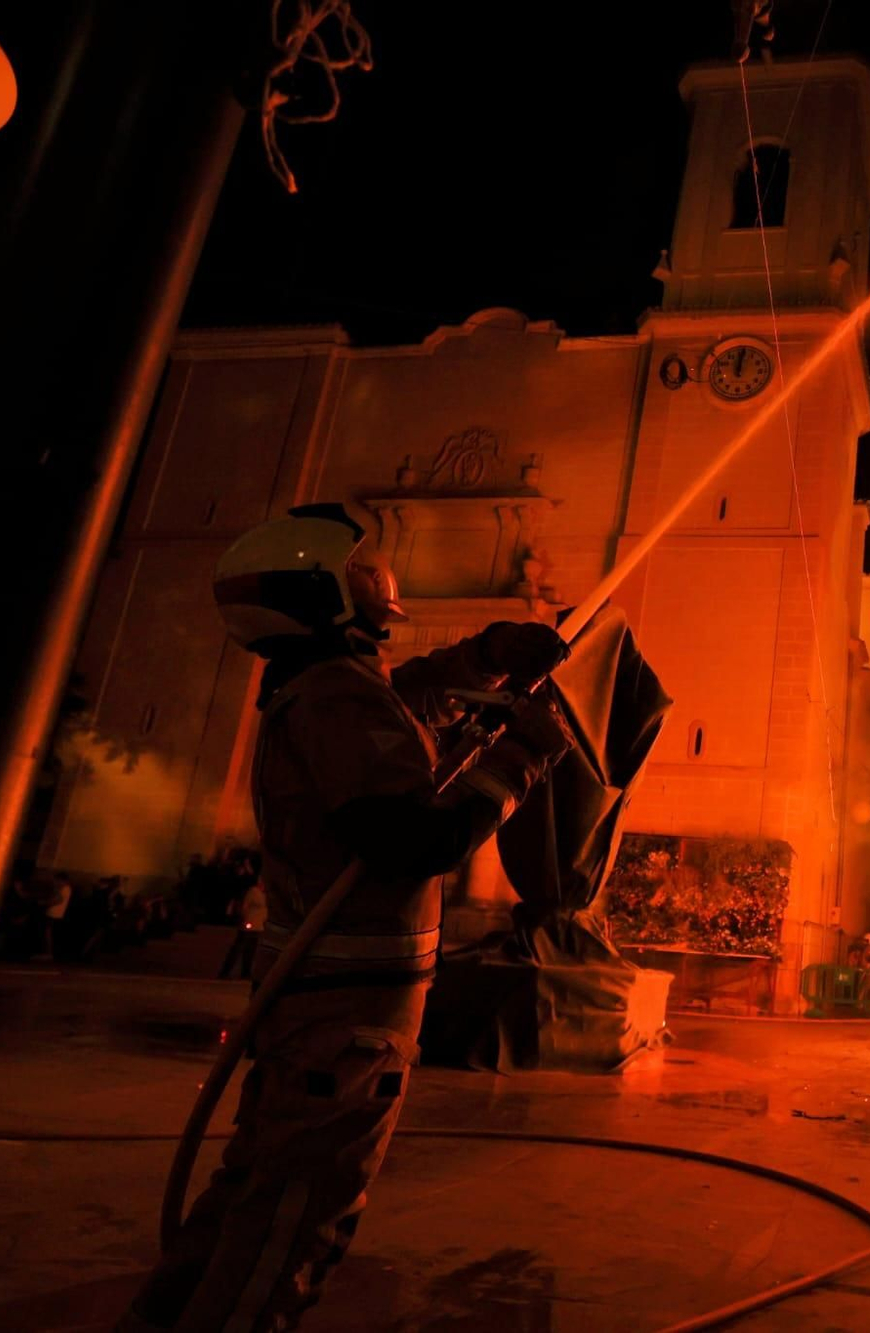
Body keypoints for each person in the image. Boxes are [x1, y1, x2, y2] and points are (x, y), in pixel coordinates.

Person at [122, 503, 574, 1332]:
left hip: (319, 1012)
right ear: (318, 588)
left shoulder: (332, 689)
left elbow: (409, 707)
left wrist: (491, 656)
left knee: (252, 1198)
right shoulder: (335, 696)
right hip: (348, 1022)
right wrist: (522, 756)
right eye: (361, 570)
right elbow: (416, 837)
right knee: (291, 1225)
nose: (379, 581)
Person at [217, 881, 268, 981]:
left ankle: (245, 973)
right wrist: (245, 919)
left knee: (250, 951)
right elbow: (245, 906)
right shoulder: (253, 892)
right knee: (239, 949)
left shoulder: (264, 894)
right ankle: (225, 972)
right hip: (249, 924)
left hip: (258, 926)